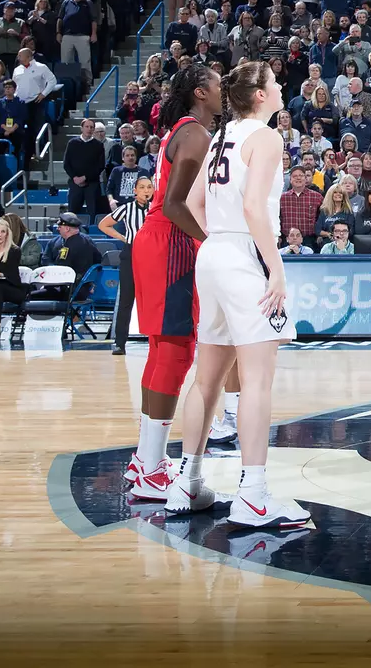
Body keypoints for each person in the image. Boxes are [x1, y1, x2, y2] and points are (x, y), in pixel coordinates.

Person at [168, 61, 310, 528]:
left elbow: (192, 204)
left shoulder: (223, 134)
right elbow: (254, 207)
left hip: (213, 253)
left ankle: (184, 484)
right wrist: (274, 266)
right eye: (275, 82)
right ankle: (253, 493)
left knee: (206, 378)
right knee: (256, 382)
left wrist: (222, 240)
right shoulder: (266, 138)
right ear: (260, 96)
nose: (281, 85)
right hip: (242, 256)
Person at [121, 66, 238, 504]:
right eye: (217, 83)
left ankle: (145, 460)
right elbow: (172, 205)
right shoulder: (194, 135)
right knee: (174, 351)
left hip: (158, 244)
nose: (223, 89)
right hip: (170, 244)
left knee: (162, 351)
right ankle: (151, 469)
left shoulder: (183, 131)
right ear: (200, 92)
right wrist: (214, 240)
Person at [100, 175, 153, 355]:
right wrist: (122, 238)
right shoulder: (127, 208)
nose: (146, 190)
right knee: (126, 299)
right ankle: (120, 342)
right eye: (142, 187)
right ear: (135, 191)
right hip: (131, 253)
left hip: (153, 255)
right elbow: (104, 224)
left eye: (149, 187)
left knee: (153, 299)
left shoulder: (157, 209)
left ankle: (156, 341)